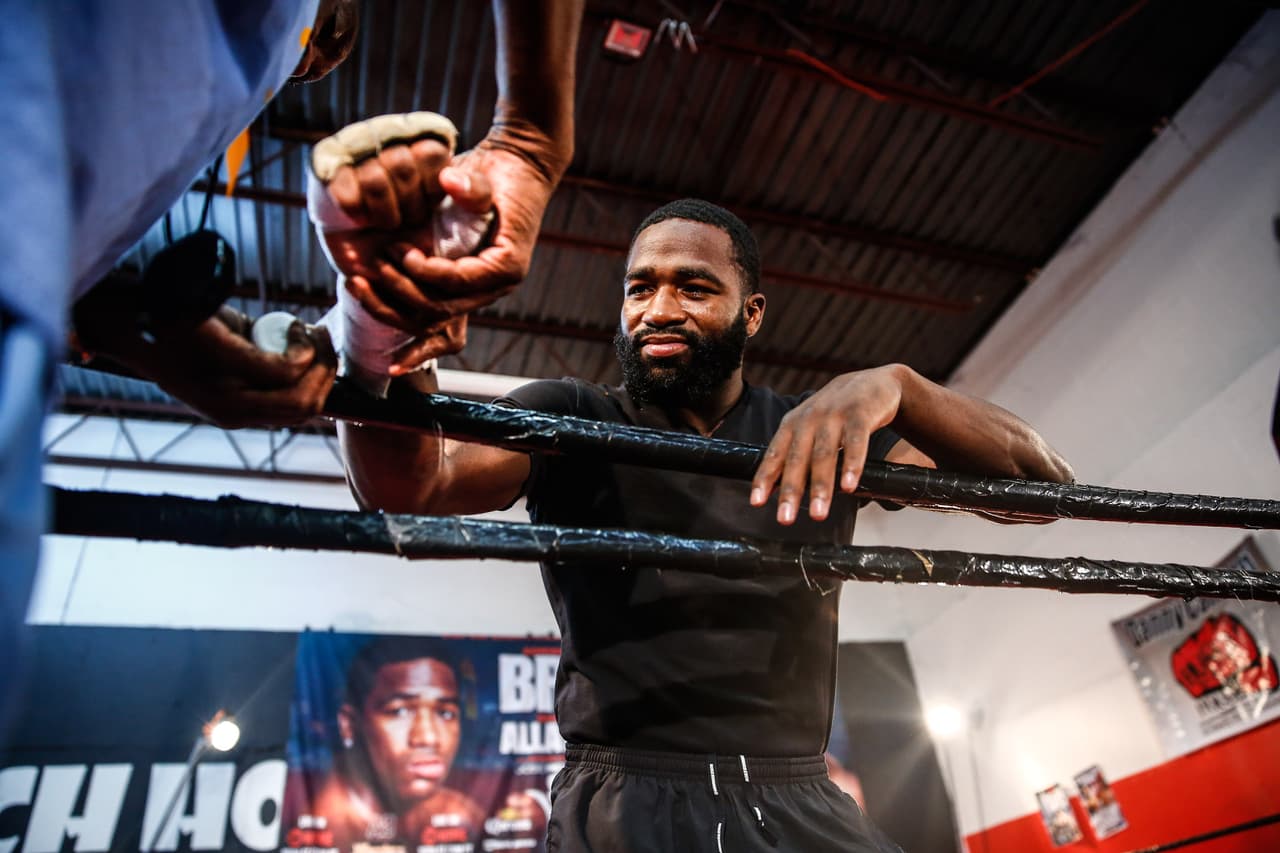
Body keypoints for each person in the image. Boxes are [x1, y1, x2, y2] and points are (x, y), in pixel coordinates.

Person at [338, 198, 1075, 851]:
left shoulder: (818, 428)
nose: (659, 309)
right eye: (640, 287)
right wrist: (376, 340)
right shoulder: (571, 416)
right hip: (626, 799)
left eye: (693, 286)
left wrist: (900, 388)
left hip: (801, 795)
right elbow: (410, 487)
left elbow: (1042, 491)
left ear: (751, 312)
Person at [1, 0, 582, 737]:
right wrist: (531, 133)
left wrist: (133, 331)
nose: (319, 54)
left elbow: (49, 232)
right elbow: (408, 488)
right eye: (311, 38)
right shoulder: (577, 413)